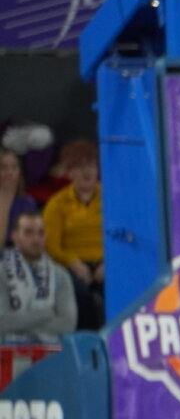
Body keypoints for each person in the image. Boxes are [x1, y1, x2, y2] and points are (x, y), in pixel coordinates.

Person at [41, 139, 102, 330]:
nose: (87, 172)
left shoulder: (112, 196)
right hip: (71, 265)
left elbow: (124, 233)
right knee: (80, 293)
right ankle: (88, 344)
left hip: (106, 263)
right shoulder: (57, 204)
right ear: (69, 172)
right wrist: (73, 262)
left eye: (91, 165)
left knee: (121, 286)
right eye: (80, 166)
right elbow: (51, 246)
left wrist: (110, 262)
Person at [0, 210, 76, 342]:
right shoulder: (2, 273)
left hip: (51, 356)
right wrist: (45, 314)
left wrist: (21, 325)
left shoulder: (61, 276)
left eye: (40, 233)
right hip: (8, 355)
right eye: (28, 232)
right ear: (15, 236)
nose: (36, 239)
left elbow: (68, 325)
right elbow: (3, 323)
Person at [0, 147, 37, 247]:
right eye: (3, 167)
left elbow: (29, 243)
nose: (10, 172)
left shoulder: (27, 202)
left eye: (14, 167)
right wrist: (5, 201)